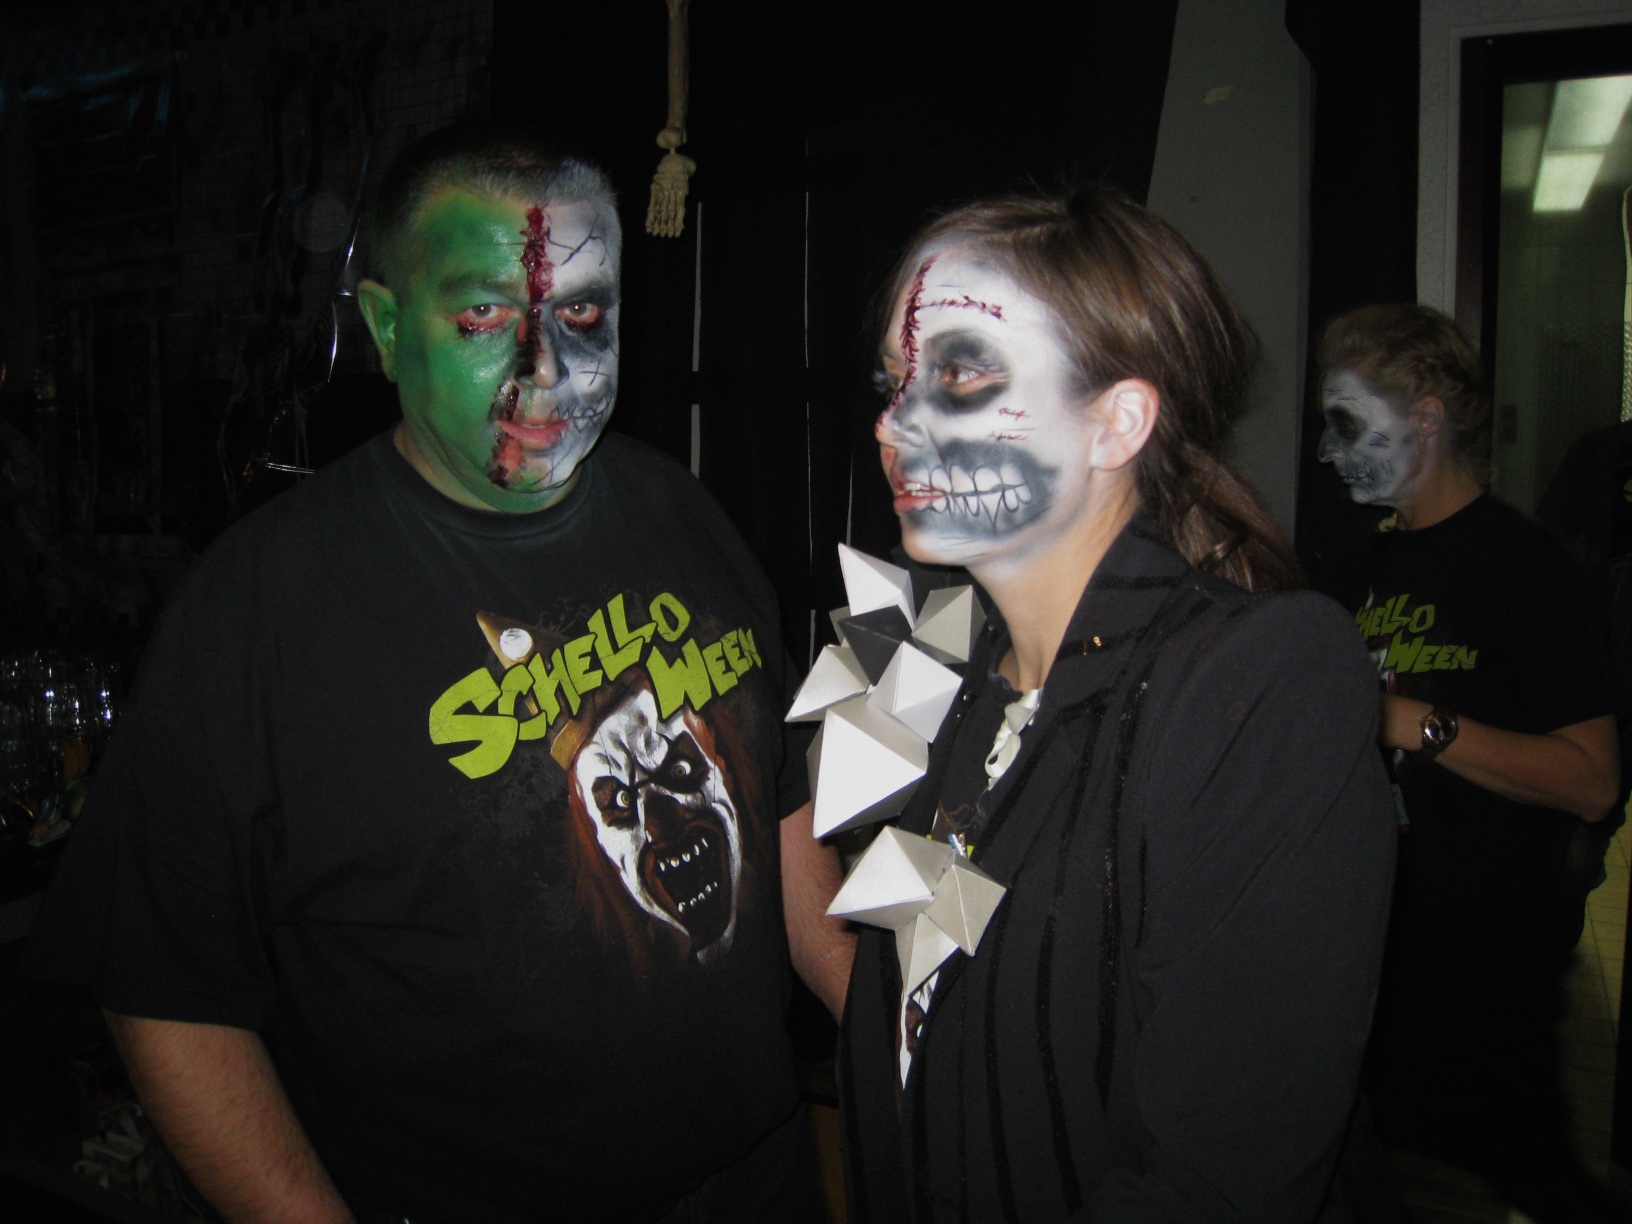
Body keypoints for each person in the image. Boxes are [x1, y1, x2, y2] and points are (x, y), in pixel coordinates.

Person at [22, 124, 852, 1224]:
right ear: (384, 327)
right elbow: (162, 989)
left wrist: (908, 1039)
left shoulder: (683, 512)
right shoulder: (257, 609)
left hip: (763, 1181)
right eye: (483, 319)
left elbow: (783, 806)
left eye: (583, 313)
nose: (545, 372)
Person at [837, 188, 1397, 1221]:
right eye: (894, 379)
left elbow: (1218, 1175)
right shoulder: (940, 663)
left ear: (1118, 423)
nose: (894, 421)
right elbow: (918, 997)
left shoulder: (1258, 682)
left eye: (958, 374)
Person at [1316, 303, 1623, 1222]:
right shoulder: (1356, 564)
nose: (1328, 452)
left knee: (1520, 1183)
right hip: (1380, 955)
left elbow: (1592, 782)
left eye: (1347, 424)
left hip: (1490, 971)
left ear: (1425, 420)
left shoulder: (1527, 567)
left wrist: (1415, 724)